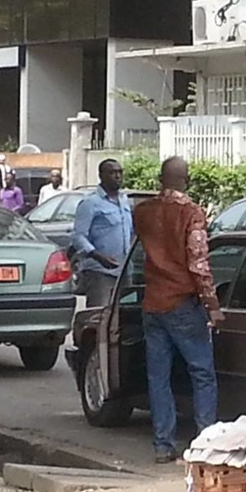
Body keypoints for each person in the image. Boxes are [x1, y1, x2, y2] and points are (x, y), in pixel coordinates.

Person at [133, 156, 225, 464]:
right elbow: (199, 263)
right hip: (183, 303)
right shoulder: (191, 213)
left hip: (152, 301)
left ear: (161, 178)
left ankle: (163, 444)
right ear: (186, 179)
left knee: (158, 376)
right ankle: (205, 443)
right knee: (202, 373)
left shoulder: (142, 212)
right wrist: (212, 306)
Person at [71, 159, 133, 307]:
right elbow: (78, 237)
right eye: (112, 173)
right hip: (100, 273)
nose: (117, 176)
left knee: (123, 318)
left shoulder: (124, 200)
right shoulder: (90, 203)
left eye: (119, 172)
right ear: (101, 176)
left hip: (124, 271)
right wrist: (98, 256)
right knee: (99, 318)